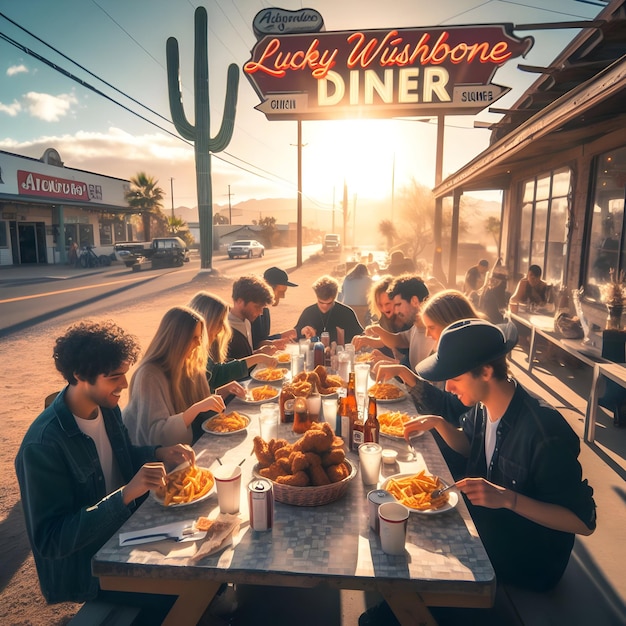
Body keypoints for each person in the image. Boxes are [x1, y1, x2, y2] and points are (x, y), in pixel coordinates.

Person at [405, 319, 596, 591]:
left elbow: (583, 521)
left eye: (455, 378)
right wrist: (438, 422)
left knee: (421, 550)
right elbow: (470, 446)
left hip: (529, 560)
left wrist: (508, 499)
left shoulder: (544, 431)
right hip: (490, 527)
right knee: (409, 523)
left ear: (485, 372)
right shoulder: (484, 406)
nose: (448, 387)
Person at [15, 320, 195, 605]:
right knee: (182, 588)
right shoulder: (42, 445)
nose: (124, 384)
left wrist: (158, 452)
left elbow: (119, 456)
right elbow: (51, 540)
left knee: (200, 539)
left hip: (127, 530)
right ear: (79, 375)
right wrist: (124, 495)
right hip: (93, 566)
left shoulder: (107, 407)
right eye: (114, 377)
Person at [374, 289, 480, 477]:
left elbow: (451, 409)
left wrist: (407, 375)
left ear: (449, 324)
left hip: (454, 460)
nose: (429, 335)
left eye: (431, 328)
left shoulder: (467, 360)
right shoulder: (452, 351)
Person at [123, 306, 226, 446]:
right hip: (156, 463)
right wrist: (196, 408)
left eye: (200, 337)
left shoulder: (190, 364)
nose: (199, 343)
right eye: (194, 338)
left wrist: (222, 393)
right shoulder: (149, 375)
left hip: (189, 449)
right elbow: (156, 437)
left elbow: (205, 412)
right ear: (176, 339)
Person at [189, 291, 277, 390]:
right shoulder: (188, 356)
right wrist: (259, 357)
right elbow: (219, 374)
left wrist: (226, 389)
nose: (222, 328)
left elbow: (215, 376)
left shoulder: (204, 350)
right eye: (219, 322)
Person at [353, 274, 434, 369]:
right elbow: (397, 340)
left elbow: (423, 380)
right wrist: (377, 331)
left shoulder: (436, 334)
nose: (395, 311)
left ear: (415, 301)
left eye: (398, 304)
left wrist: (395, 366)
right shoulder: (415, 328)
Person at [295, 274, 364, 344]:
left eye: (329, 303)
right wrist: (302, 332)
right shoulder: (308, 313)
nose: (325, 307)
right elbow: (295, 335)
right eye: (321, 302)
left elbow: (360, 336)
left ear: (334, 298)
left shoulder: (346, 313)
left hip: (341, 353)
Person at [227, 275, 275, 360]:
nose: (260, 312)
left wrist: (259, 353)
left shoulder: (247, 321)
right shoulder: (224, 329)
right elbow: (226, 368)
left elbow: (244, 357)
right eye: (257, 307)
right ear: (240, 301)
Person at [251, 267, 298, 350]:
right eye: (281, 292)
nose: (283, 296)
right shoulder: (253, 311)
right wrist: (280, 336)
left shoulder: (265, 311)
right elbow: (254, 345)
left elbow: (262, 340)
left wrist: (282, 336)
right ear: (268, 288)